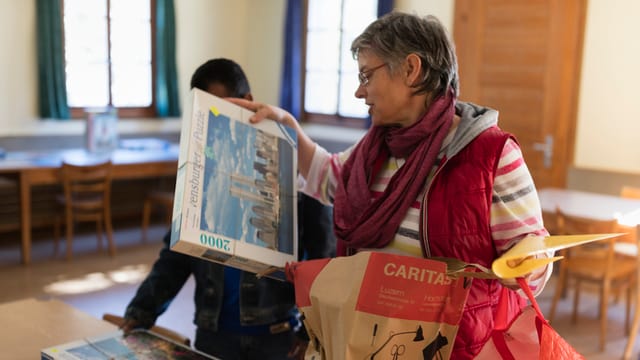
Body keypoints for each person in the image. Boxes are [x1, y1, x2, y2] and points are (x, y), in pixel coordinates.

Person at [227, 12, 553, 359]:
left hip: (454, 349)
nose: (358, 91)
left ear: (412, 69)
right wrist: (288, 126)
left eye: (367, 75)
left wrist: (530, 263)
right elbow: (330, 178)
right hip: (370, 343)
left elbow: (532, 266)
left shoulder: (492, 154)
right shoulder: (376, 148)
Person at [122, 58, 336, 360]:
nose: (213, 121)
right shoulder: (202, 174)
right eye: (205, 112)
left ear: (247, 102)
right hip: (213, 334)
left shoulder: (297, 170)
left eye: (220, 108)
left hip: (277, 335)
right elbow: (175, 257)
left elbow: (324, 259)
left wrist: (309, 331)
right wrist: (142, 310)